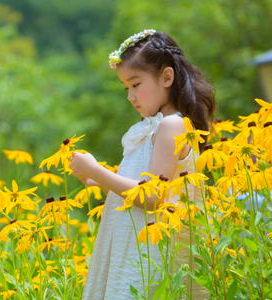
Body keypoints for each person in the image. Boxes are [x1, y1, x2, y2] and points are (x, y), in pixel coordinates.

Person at [69, 29, 215, 299]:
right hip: (133, 247)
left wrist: (96, 170)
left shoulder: (172, 124)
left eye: (136, 85)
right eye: (126, 88)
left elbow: (151, 196)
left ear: (167, 77)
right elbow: (135, 194)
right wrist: (99, 179)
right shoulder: (151, 128)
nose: (130, 96)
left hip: (149, 254)